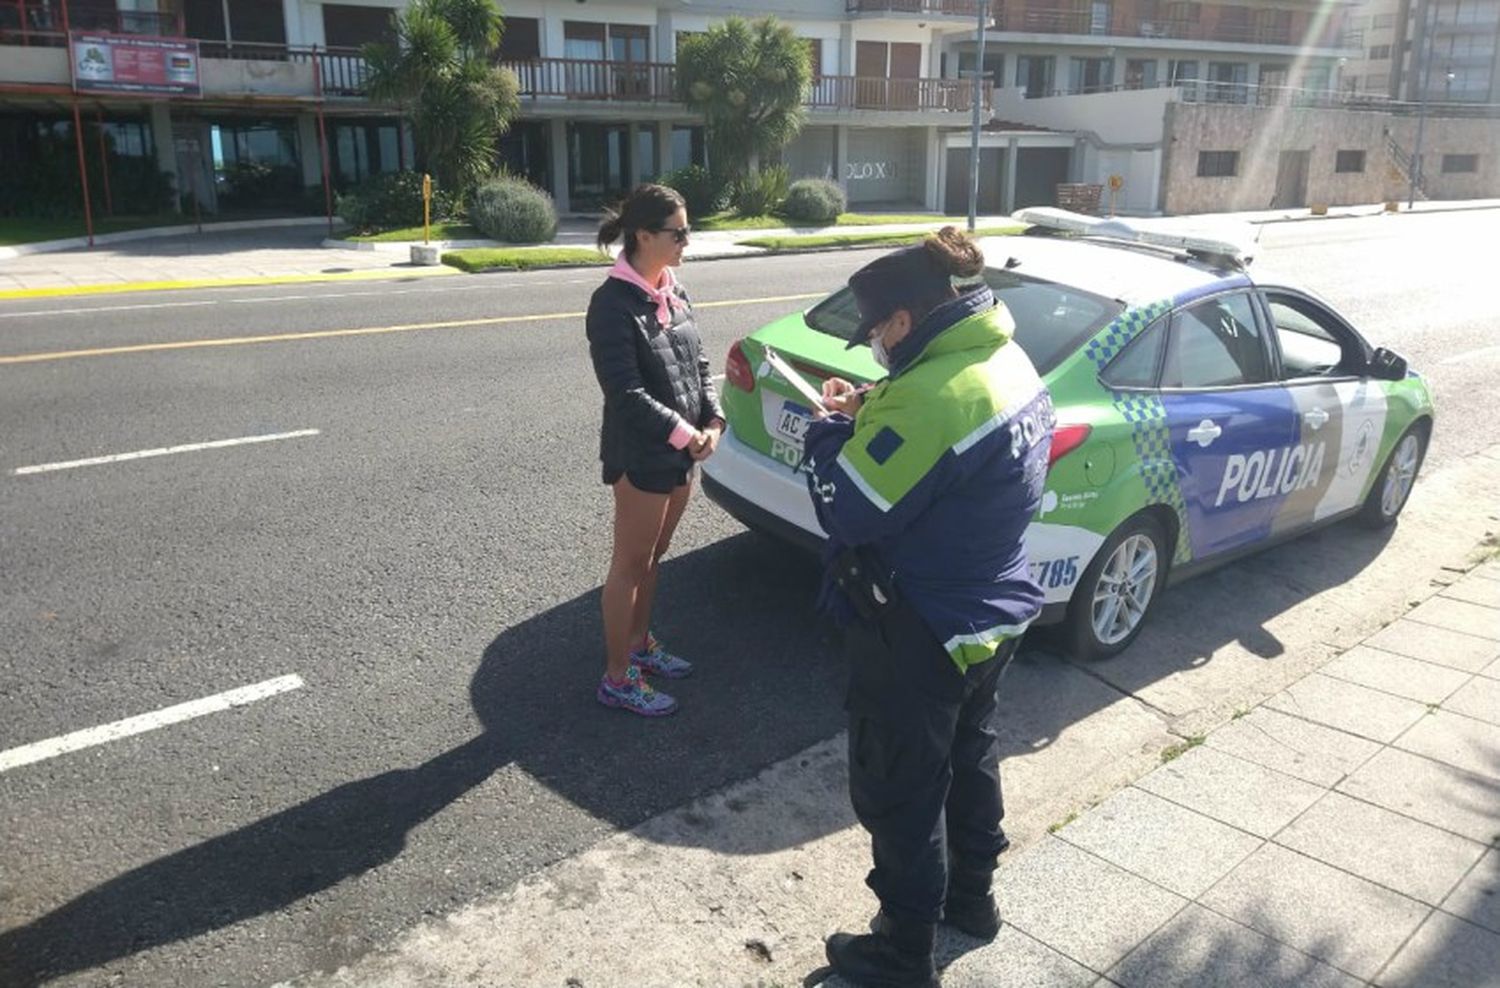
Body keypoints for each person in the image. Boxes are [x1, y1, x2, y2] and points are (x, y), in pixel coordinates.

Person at [802, 227, 1055, 987]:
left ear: (905, 321)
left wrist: (826, 430)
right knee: (969, 757)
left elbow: (847, 509)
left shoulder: (930, 397)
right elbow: (951, 454)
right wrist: (874, 408)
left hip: (921, 624)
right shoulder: (1002, 358)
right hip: (991, 610)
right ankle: (973, 902)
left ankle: (903, 947)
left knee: (901, 785)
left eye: (876, 331)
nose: (873, 346)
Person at [586, 184, 723, 717]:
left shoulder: (674, 287)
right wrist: (686, 434)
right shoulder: (612, 304)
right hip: (642, 453)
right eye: (679, 232)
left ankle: (642, 645)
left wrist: (713, 416)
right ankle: (617, 677)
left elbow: (699, 362)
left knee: (655, 559)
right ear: (644, 235)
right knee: (630, 564)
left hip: (682, 450)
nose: (687, 241)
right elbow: (624, 392)